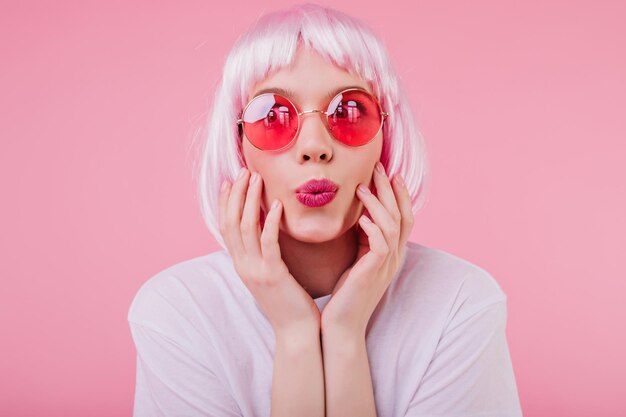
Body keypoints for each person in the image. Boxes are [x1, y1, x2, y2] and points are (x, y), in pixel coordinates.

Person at [127, 3, 522, 417]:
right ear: (237, 144)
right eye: (273, 116)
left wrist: (345, 334)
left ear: (386, 140)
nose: (315, 146)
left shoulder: (459, 303)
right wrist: (296, 332)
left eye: (349, 112)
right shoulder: (178, 312)